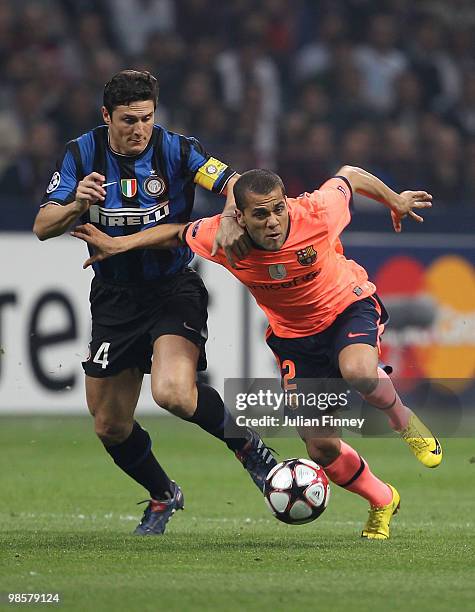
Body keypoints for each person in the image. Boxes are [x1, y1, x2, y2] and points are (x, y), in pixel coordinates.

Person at [72, 165, 442, 539]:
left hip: (348, 306)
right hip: (295, 339)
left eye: (278, 209)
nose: (273, 221)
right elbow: (174, 234)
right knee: (322, 449)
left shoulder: (317, 212)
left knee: (358, 370)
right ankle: (382, 499)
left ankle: (403, 421)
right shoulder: (225, 237)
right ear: (241, 217)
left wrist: (394, 200)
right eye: (261, 214)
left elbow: (350, 175)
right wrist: (119, 244)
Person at [33, 70, 277, 536]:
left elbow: (235, 182)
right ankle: (164, 493)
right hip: (114, 298)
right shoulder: (81, 154)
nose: (139, 129)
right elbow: (43, 225)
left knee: (172, 393)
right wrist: (73, 205)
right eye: (128, 120)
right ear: (107, 116)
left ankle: (250, 450)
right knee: (109, 424)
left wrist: (229, 216)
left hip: (172, 288)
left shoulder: (178, 149)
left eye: (146, 118)